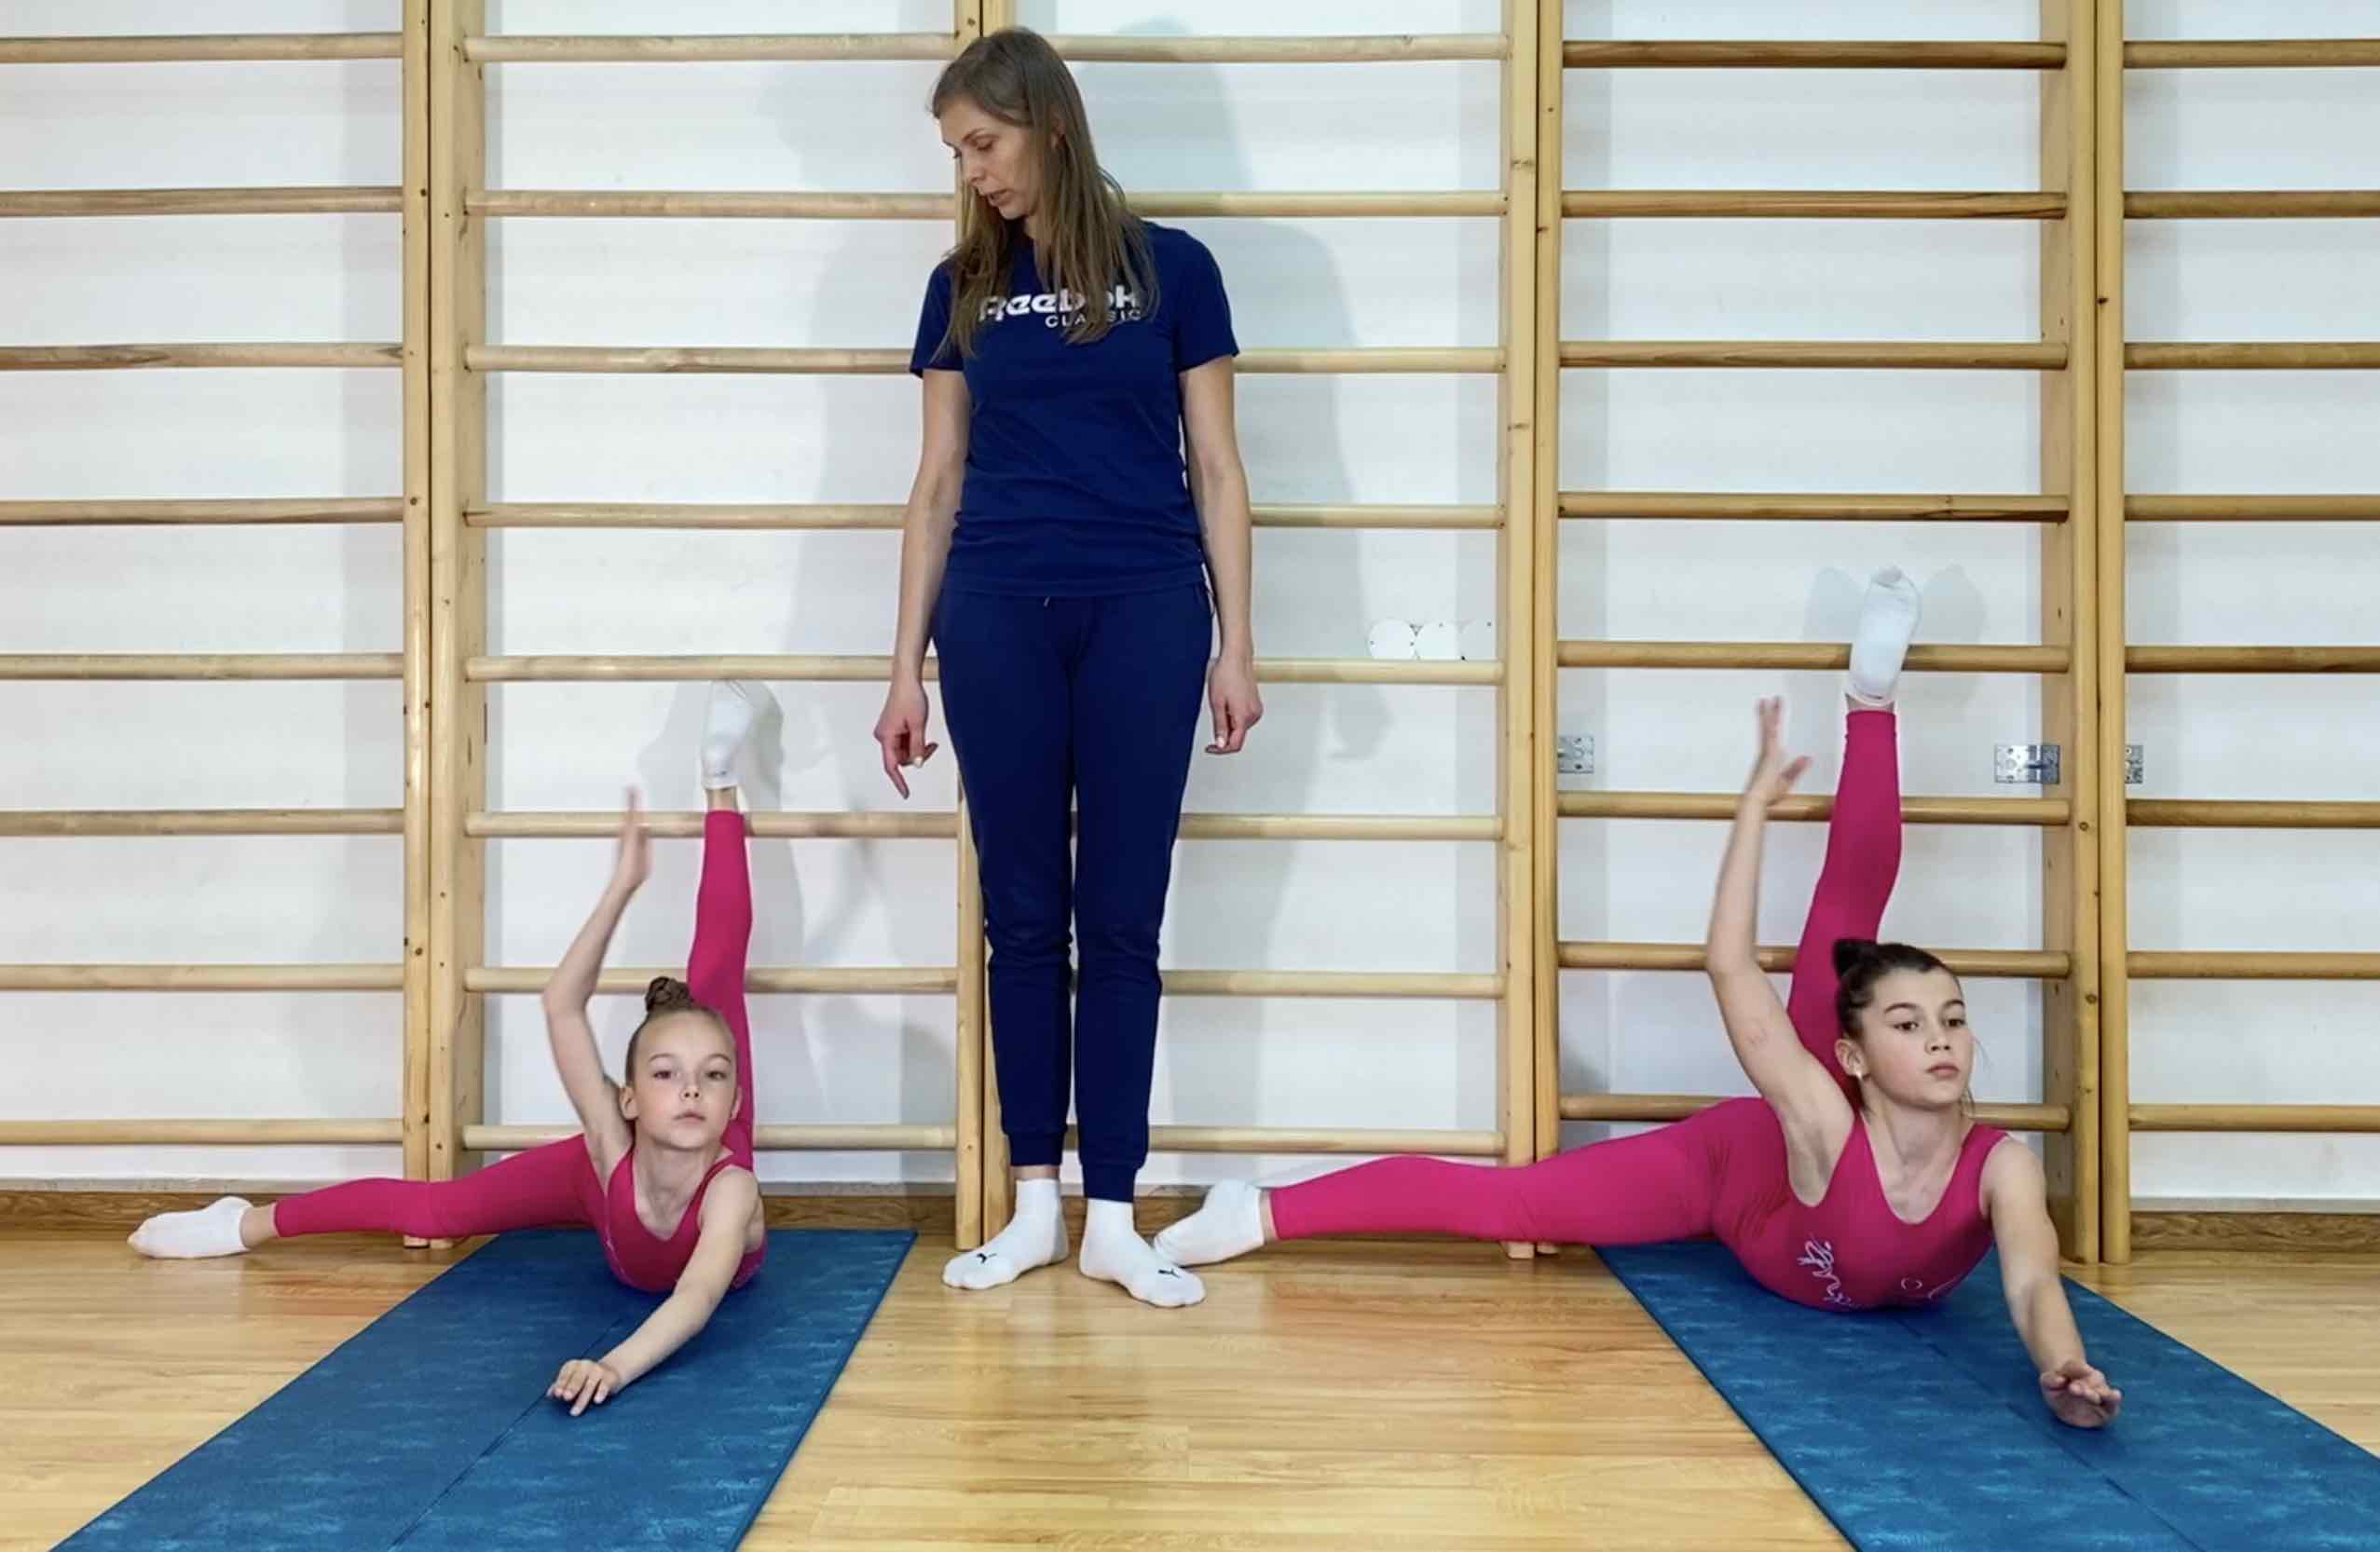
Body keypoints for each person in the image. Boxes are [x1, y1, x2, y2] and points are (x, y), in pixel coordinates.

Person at [1156, 571, 2124, 1429]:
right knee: (1513, 1202)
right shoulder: (1823, 1110)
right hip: (1738, 1172)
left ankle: (1872, 701)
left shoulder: (2001, 1167)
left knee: (1856, 944)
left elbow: (2031, 1282)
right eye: (1912, 1027)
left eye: (1954, 1020)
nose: (1944, 1039)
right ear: (1856, 1057)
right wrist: (1752, 811)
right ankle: (1260, 1211)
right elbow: (1730, 967)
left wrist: (2063, 1365)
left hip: (1824, 1122)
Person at [871, 26, 1262, 1309]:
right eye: (956, 152)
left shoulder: (1174, 269)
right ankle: (1033, 1200)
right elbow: (935, 483)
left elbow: (1218, 468)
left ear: (1048, 123)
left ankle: (1113, 1213)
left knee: (1124, 918)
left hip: (1146, 612)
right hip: (995, 615)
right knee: (1024, 915)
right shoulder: (959, 287)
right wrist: (903, 668)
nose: (971, 170)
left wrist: (1237, 644)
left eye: (982, 143)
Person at [130, 684, 779, 1415]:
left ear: (735, 1100)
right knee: (436, 1212)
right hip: (605, 1175)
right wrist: (620, 890)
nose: (691, 1089)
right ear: (627, 1100)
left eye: (712, 1080)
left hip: (676, 1176)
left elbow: (695, 1297)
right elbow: (561, 1006)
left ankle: (720, 781)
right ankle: (241, 1221)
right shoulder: (610, 1142)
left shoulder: (731, 1188)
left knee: (714, 992)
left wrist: (613, 1366)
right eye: (666, 1076)